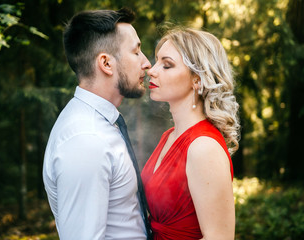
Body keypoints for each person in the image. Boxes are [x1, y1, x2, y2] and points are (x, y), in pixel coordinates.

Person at [42, 8, 152, 240]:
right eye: (136, 52)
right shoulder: (85, 139)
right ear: (106, 63)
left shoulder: (100, 125)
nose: (147, 63)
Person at [141, 27, 240, 240]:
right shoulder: (168, 136)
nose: (152, 70)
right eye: (156, 61)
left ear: (197, 80)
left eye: (167, 65)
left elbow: (219, 237)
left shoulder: (203, 147)